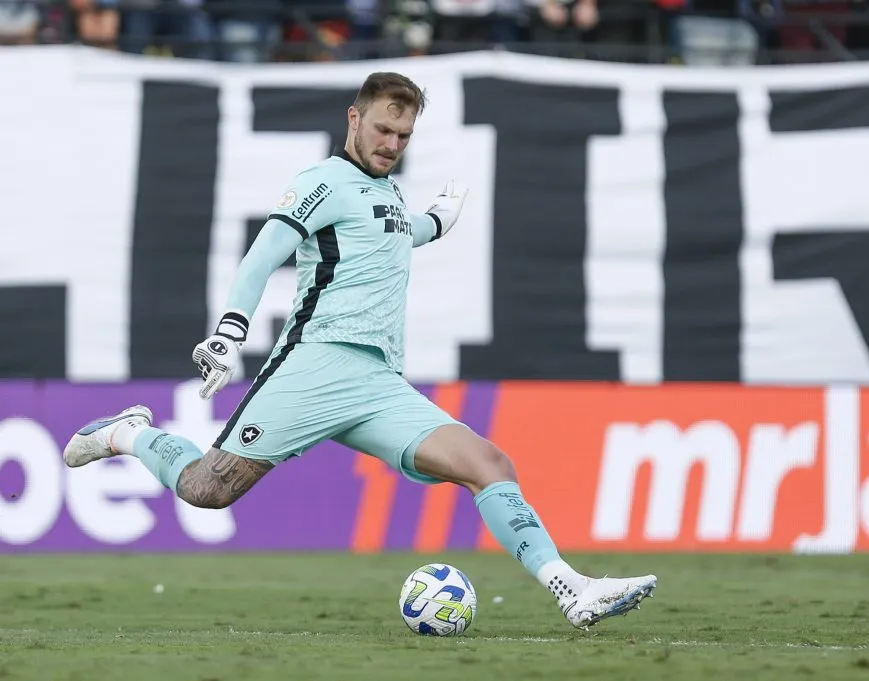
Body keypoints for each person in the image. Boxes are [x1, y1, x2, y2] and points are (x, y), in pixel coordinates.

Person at [63, 71, 657, 630]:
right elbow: (262, 255)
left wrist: (438, 219)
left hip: (378, 384)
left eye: (404, 135)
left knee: (489, 464)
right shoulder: (322, 182)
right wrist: (229, 332)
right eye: (383, 129)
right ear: (354, 118)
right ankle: (128, 433)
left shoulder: (389, 194)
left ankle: (571, 589)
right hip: (313, 366)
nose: (392, 144)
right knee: (206, 490)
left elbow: (401, 231)